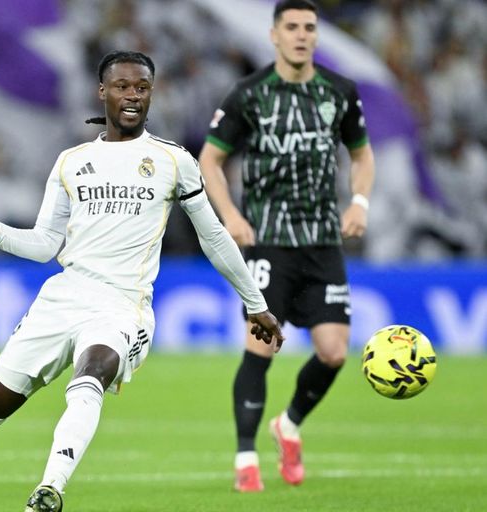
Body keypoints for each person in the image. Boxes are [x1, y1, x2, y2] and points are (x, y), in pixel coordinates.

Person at [0, 50, 284, 512]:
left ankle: (50, 489)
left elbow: (214, 236)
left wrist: (255, 302)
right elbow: (46, 244)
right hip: (65, 296)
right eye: (123, 87)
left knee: (93, 373)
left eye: (142, 88)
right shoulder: (72, 161)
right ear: (102, 92)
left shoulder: (173, 161)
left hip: (124, 305)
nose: (133, 96)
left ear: (151, 94)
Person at [198, 0, 375, 493]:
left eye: (309, 27)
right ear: (274, 35)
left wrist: (360, 202)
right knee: (261, 347)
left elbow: (362, 154)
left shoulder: (339, 92)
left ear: (316, 35)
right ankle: (246, 458)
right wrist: (231, 216)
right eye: (291, 27)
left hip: (322, 243)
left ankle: (289, 424)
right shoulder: (249, 94)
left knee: (334, 353)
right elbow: (209, 159)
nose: (301, 35)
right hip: (268, 243)